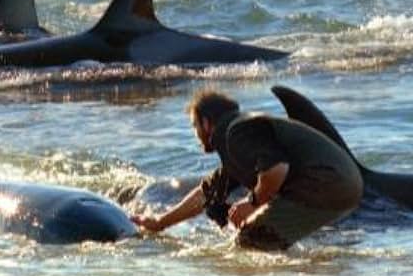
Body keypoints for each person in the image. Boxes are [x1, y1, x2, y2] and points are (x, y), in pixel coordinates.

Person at [131, 88, 364, 250]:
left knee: (250, 242)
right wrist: (160, 223)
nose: (196, 134)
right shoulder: (238, 138)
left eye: (195, 126)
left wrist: (252, 202)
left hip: (326, 181)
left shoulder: (236, 132)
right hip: (344, 184)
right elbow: (206, 194)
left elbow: (277, 169)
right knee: (261, 239)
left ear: (206, 123)